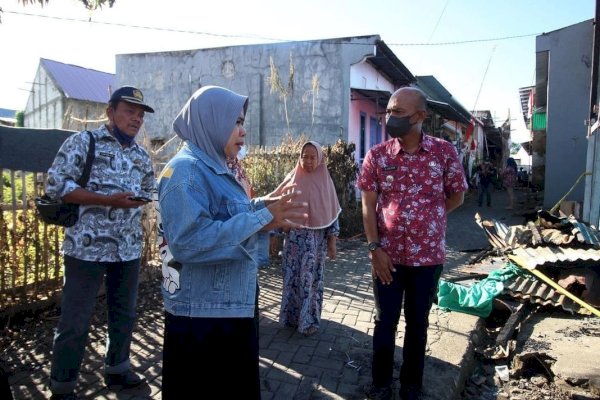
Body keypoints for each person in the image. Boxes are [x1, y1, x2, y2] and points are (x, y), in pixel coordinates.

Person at [156, 85, 308, 399]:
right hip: (201, 320)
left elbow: (226, 213)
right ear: (210, 121)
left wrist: (263, 206)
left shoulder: (213, 166)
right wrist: (261, 218)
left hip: (224, 308)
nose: (243, 131)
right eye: (235, 122)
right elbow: (190, 241)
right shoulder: (186, 172)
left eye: (242, 122)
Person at [45, 86, 156, 400]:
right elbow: (56, 184)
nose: (135, 119)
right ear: (110, 112)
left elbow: (148, 189)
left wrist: (138, 201)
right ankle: (63, 387)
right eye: (129, 111)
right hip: (85, 249)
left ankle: (118, 369)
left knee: (124, 314)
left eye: (140, 114)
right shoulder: (84, 142)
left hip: (128, 248)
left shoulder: (141, 156)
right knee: (75, 321)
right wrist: (106, 200)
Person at [357, 86, 468, 400]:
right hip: (387, 257)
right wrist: (374, 248)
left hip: (428, 259)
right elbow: (367, 206)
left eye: (399, 113)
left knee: (417, 324)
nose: (391, 117)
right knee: (384, 322)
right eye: (390, 111)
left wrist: (429, 217)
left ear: (421, 116)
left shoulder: (444, 153)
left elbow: (458, 195)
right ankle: (380, 385)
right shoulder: (377, 156)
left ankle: (411, 386)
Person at [278, 141, 341, 336]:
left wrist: (332, 242)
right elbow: (278, 206)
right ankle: (291, 318)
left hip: (315, 245)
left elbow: (333, 214)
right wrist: (277, 232)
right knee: (292, 279)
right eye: (305, 156)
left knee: (310, 282)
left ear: (320, 158)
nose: (308, 161)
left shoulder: (325, 182)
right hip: (293, 242)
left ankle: (308, 320)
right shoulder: (292, 177)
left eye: (313, 157)